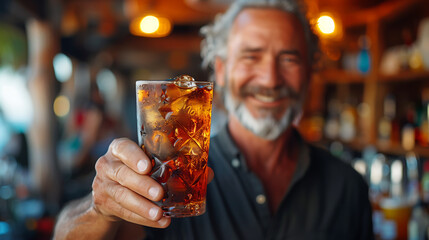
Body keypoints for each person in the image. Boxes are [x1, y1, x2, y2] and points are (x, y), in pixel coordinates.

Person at [54, 0, 374, 239]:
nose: (270, 77)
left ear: (309, 72)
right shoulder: (170, 180)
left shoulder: (347, 187)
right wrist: (100, 209)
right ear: (220, 70)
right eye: (251, 56)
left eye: (289, 58)